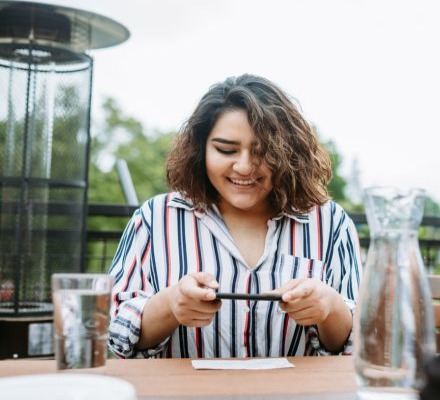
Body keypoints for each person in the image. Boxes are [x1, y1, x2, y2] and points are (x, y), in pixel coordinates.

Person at [108, 74, 362, 359]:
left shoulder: (330, 222)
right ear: (200, 148)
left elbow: (360, 341)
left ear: (289, 153)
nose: (244, 166)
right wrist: (169, 306)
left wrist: (330, 309)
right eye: (225, 150)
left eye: (263, 152)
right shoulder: (154, 219)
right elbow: (113, 333)